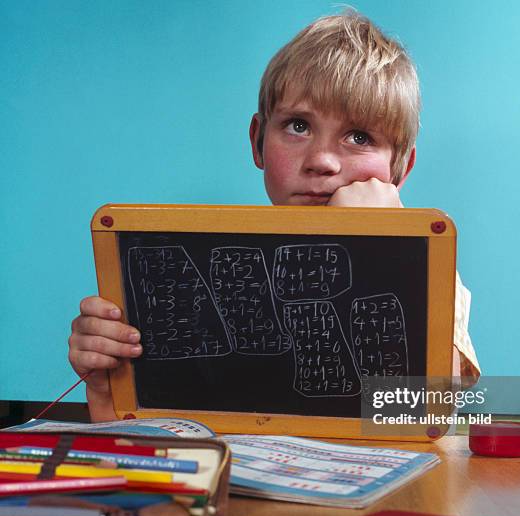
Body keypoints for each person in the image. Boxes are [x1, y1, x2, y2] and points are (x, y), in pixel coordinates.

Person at [68, 11, 480, 422]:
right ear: (258, 142)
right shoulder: (198, 277)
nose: (321, 160)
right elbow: (140, 438)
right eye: (298, 126)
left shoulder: (429, 268)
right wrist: (106, 389)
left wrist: (381, 244)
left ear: (399, 171)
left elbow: (430, 412)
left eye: (359, 137)